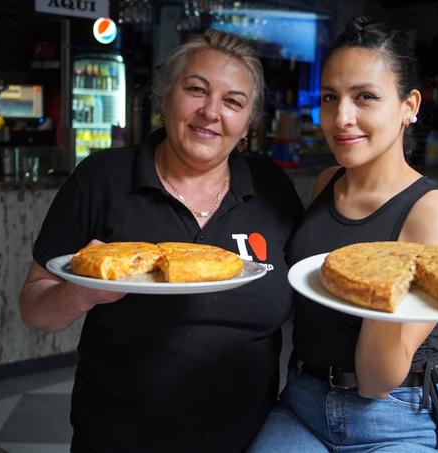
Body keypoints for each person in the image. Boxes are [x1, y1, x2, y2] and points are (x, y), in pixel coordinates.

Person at [19, 29, 304, 452]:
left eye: (233, 101)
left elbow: (312, 294)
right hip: (118, 438)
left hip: (249, 440)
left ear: (248, 123)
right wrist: (80, 294)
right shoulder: (102, 179)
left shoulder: (272, 189)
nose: (211, 111)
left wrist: (423, 318)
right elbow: (35, 310)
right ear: (165, 96)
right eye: (195, 89)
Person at [247, 17, 438, 453]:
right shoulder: (326, 181)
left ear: (410, 105)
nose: (341, 118)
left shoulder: (432, 217)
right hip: (303, 400)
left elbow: (376, 381)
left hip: (396, 415)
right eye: (331, 97)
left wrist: (395, 303)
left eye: (365, 97)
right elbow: (305, 300)